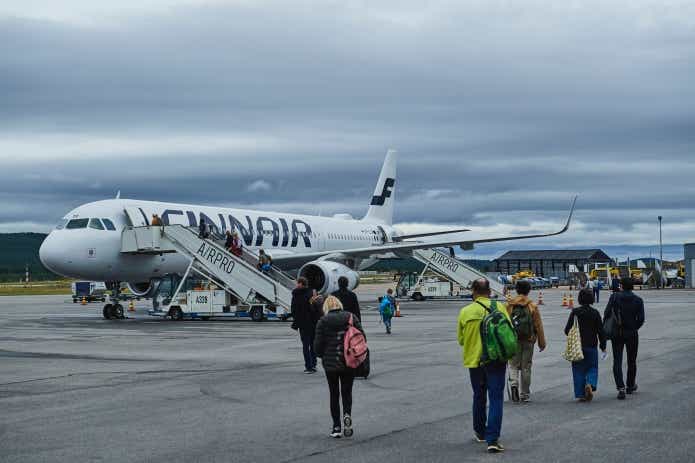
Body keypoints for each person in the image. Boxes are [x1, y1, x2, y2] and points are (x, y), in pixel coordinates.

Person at [457, 279, 509, 453]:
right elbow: (509, 333)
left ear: (473, 291)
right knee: (496, 398)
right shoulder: (499, 308)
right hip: (495, 360)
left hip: (475, 361)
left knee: (479, 396)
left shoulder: (465, 312)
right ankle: (492, 439)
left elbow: (461, 340)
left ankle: (480, 432)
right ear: (489, 291)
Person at [314, 295, 365, 438]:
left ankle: (336, 427)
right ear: (339, 304)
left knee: (334, 394)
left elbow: (317, 346)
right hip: (348, 362)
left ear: (326, 307)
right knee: (347, 392)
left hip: (330, 364)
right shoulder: (350, 317)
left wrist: (323, 355)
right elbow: (362, 337)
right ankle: (347, 415)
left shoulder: (322, 321)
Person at [505, 279, 546, 403]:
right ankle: (524, 394)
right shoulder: (532, 306)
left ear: (516, 290)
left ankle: (514, 384)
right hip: (529, 340)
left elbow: (505, 324)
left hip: (513, 340)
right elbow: (538, 325)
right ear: (529, 291)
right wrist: (541, 342)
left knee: (513, 364)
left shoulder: (509, 305)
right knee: (526, 367)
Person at [604, 277, 645, 400]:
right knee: (632, 360)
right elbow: (641, 319)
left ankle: (620, 388)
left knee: (617, 360)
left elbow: (606, 313)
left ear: (621, 286)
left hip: (617, 333)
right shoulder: (638, 300)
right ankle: (630, 385)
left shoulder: (614, 297)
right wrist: (634, 327)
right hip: (632, 333)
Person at [564, 288, 607, 402]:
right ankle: (590, 383)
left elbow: (567, 329)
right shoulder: (595, 313)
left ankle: (581, 394)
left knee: (578, 369)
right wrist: (603, 346)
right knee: (592, 367)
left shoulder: (575, 312)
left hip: (577, 346)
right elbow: (601, 331)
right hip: (591, 346)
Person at [291, 277, 320, 374]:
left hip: (303, 324)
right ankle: (313, 364)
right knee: (312, 345)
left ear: (301, 283)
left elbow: (293, 309)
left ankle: (309, 366)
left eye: (297, 283)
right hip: (313, 323)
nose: (296, 285)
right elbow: (318, 308)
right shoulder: (312, 292)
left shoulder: (296, 294)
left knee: (306, 345)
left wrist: (297, 320)